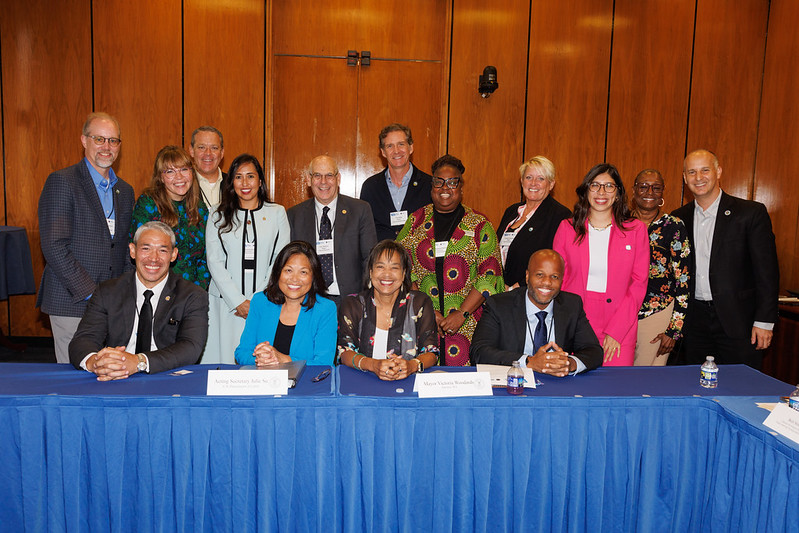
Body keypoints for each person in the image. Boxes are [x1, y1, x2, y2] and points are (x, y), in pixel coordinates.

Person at [37, 112, 135, 363]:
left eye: (113, 141)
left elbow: (124, 247)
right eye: (99, 139)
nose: (107, 147)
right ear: (84, 140)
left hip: (110, 305)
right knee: (74, 379)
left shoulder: (124, 191)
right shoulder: (62, 181)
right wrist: (93, 294)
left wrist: (120, 294)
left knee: (108, 375)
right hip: (72, 300)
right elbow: (54, 246)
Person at [671, 149, 778, 368]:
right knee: (694, 386)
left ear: (718, 172)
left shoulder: (750, 213)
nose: (698, 178)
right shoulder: (678, 218)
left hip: (739, 322)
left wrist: (765, 321)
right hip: (694, 323)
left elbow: (767, 272)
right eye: (692, 172)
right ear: (684, 178)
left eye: (705, 170)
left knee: (741, 388)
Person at [397, 154, 504, 366]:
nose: (445, 188)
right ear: (431, 186)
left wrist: (461, 314)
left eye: (452, 182)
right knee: (425, 380)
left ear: (461, 187)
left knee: (465, 387)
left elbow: (490, 275)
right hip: (424, 320)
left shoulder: (479, 224)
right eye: (439, 181)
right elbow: (400, 265)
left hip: (470, 323)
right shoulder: (416, 221)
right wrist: (428, 309)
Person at [68, 221, 209, 378]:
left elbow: (191, 347)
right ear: (133, 251)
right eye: (146, 249)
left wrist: (139, 362)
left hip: (165, 376)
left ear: (173, 255)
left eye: (162, 250)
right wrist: (96, 363)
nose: (153, 259)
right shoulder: (108, 291)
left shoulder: (192, 295)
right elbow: (83, 339)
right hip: (115, 375)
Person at [553, 163, 649, 366]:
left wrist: (617, 330)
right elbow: (558, 279)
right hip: (576, 320)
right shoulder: (567, 228)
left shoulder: (636, 230)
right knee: (576, 388)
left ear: (618, 193)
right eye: (595, 185)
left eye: (609, 186)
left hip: (620, 322)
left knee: (614, 389)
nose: (601, 192)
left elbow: (639, 284)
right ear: (586, 190)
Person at [204, 154, 290, 363]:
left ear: (260, 180)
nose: (245, 183)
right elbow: (214, 261)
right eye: (238, 177)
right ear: (231, 182)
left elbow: (280, 260)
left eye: (250, 176)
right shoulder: (217, 214)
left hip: (265, 302)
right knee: (223, 364)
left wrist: (255, 300)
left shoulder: (277, 213)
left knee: (261, 361)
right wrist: (238, 302)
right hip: (225, 305)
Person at [471, 249, 603, 375]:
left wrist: (569, 363)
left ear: (562, 280)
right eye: (540, 275)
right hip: (514, 385)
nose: (547, 282)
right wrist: (529, 362)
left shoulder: (571, 305)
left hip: (556, 386)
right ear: (527, 276)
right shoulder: (499, 305)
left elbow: (594, 351)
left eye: (554, 277)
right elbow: (479, 352)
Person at [338, 240, 439, 380]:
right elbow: (344, 352)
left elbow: (431, 352)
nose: (387, 274)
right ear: (371, 271)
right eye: (380, 267)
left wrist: (412, 366)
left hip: (409, 383)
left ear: (404, 274)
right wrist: (373, 365)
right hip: (362, 385)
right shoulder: (352, 304)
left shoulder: (420, 303)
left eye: (394, 268)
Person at [287, 155, 377, 303]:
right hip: (309, 300)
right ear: (309, 180)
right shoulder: (294, 215)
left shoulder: (360, 210)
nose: (323, 182)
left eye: (329, 175)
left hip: (351, 300)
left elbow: (370, 258)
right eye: (317, 175)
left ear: (338, 179)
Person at [235, 241, 336, 366]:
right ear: (278, 273)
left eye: (303, 272)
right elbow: (242, 352)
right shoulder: (260, 302)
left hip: (305, 384)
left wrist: (284, 360)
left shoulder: (325, 309)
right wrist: (261, 360)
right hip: (263, 381)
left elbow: (324, 363)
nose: (294, 279)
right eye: (288, 270)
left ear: (313, 276)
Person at [630, 169, 691, 366]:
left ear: (662, 193)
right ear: (634, 190)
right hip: (620, 311)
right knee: (614, 377)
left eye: (656, 188)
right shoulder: (621, 223)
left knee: (645, 379)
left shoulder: (673, 226)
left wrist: (674, 329)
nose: (649, 192)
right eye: (643, 186)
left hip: (657, 312)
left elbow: (683, 280)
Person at [131, 145, 211, 289]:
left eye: (184, 169)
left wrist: (197, 292)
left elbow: (206, 258)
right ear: (161, 177)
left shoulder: (200, 209)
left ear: (192, 172)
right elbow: (142, 253)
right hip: (156, 291)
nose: (179, 177)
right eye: (170, 172)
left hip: (192, 293)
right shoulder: (148, 204)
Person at [498, 155, 571, 289]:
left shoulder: (560, 216)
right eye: (528, 177)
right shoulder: (512, 211)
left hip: (530, 293)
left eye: (541, 179)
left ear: (551, 184)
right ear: (521, 181)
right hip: (500, 292)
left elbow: (555, 263)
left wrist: (515, 288)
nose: (533, 183)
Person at [360, 123, 433, 241]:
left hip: (418, 258)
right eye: (390, 146)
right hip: (382, 258)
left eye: (401, 144)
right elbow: (364, 231)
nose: (396, 151)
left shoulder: (430, 185)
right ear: (383, 152)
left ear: (411, 147)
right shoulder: (370, 187)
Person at [189, 126, 225, 209]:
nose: (208, 153)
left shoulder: (234, 184)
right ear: (191, 151)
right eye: (202, 147)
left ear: (222, 153)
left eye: (214, 148)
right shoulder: (183, 186)